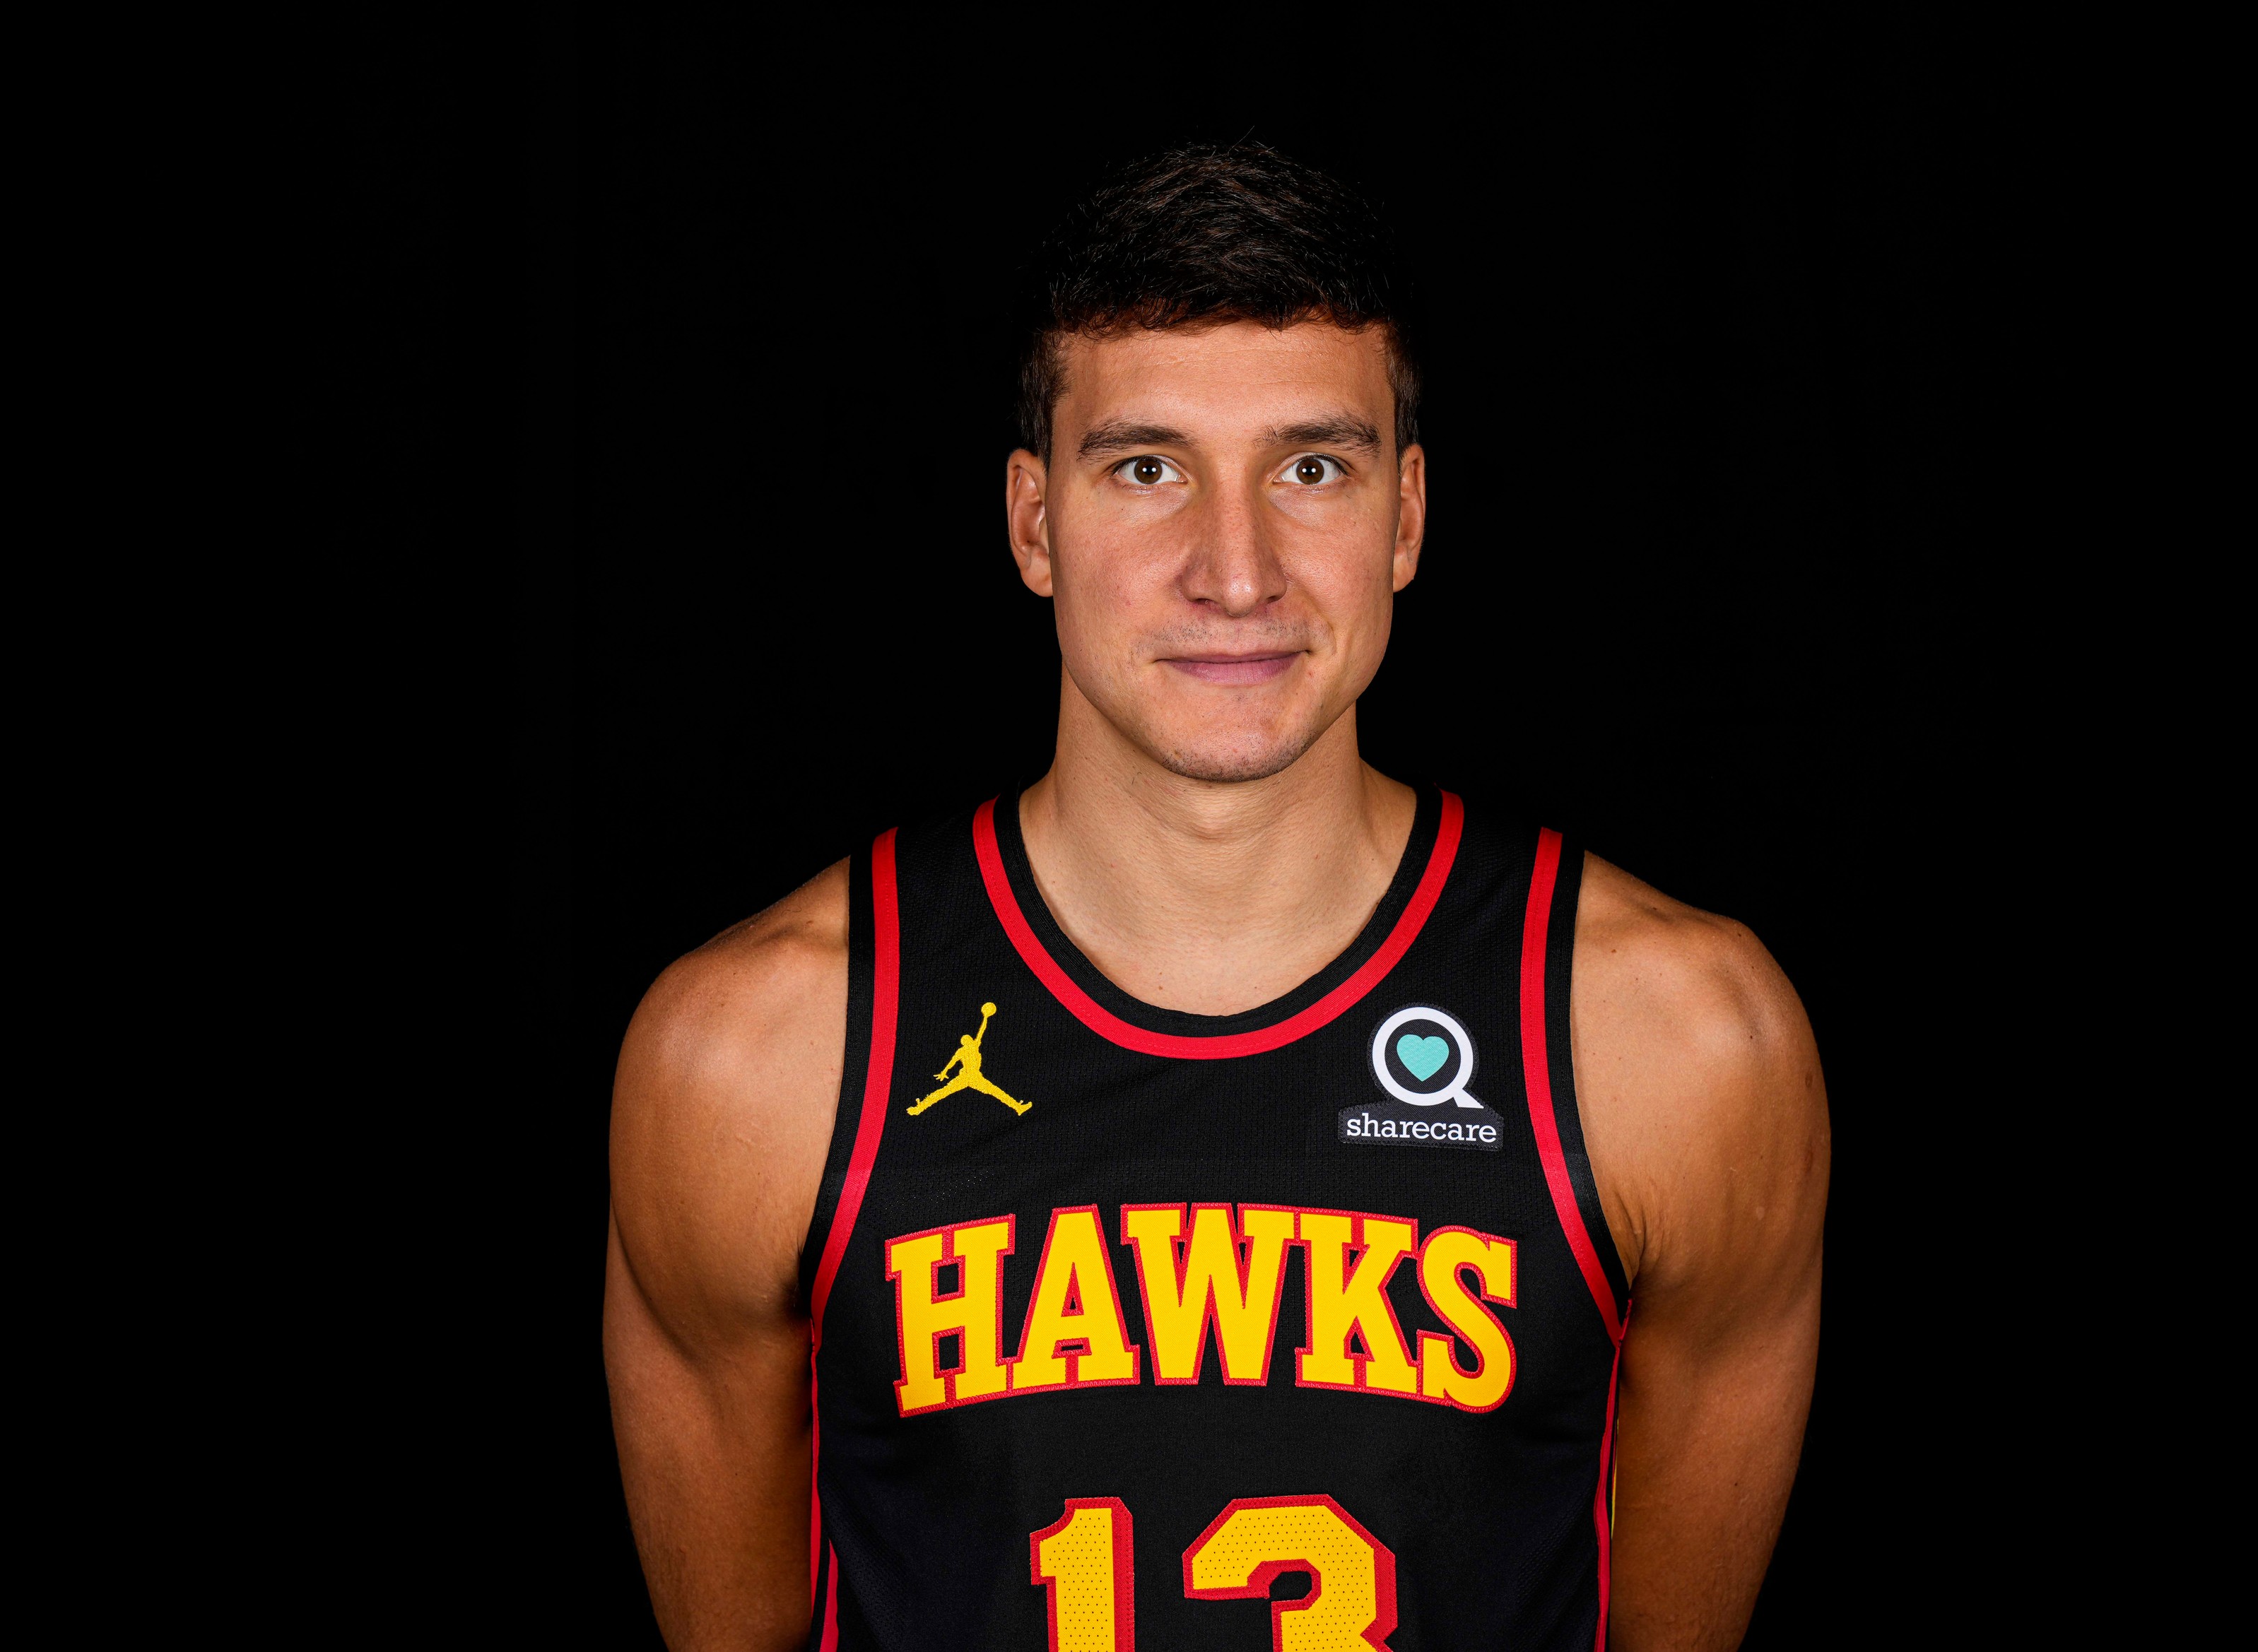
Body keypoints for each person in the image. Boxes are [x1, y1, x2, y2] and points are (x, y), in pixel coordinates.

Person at [604, 143, 1829, 1652]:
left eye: (1310, 468)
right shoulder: (752, 1057)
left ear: (1406, 515)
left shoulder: (1676, 1039)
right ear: (1033, 522)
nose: (1234, 570)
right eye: (1145, 468)